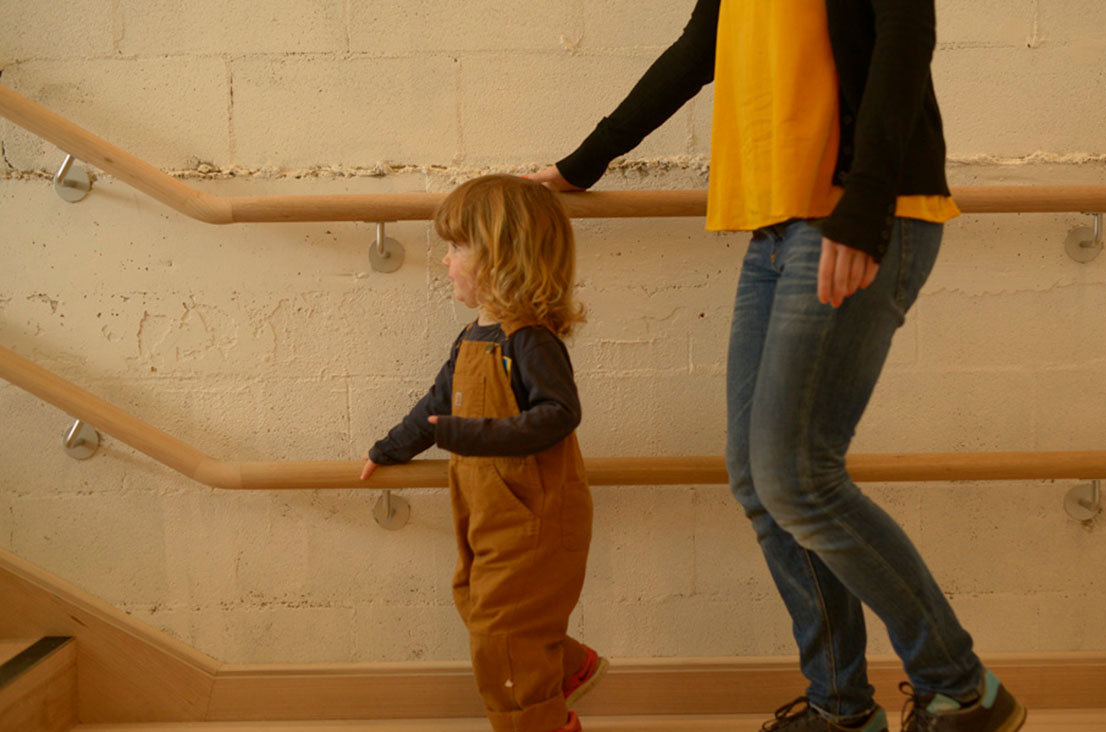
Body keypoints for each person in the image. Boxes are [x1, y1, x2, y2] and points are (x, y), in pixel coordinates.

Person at [528, 2, 1025, 731]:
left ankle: (962, 688)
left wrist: (865, 202)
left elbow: (904, 37)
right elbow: (699, 52)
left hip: (854, 214)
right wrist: (582, 164)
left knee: (797, 476)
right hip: (776, 226)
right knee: (761, 481)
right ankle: (841, 707)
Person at [360, 174, 608, 732]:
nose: (445, 261)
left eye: (455, 248)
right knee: (480, 609)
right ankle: (569, 664)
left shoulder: (531, 339)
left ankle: (539, 723)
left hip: (534, 516)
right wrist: (390, 448)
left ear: (501, 256)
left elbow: (559, 415)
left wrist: (466, 435)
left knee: (500, 646)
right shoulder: (474, 335)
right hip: (487, 510)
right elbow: (437, 401)